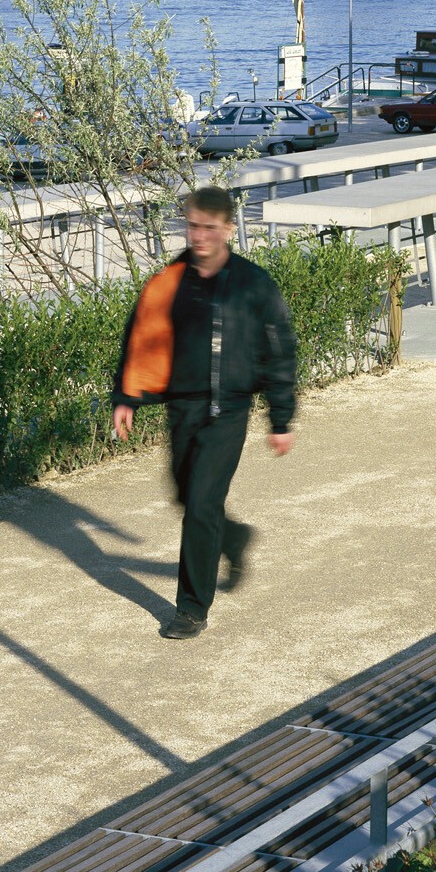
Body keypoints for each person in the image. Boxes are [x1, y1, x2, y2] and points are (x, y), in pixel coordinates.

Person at [112, 186, 297, 639]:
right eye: (193, 226)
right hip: (183, 405)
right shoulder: (169, 282)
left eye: (209, 228)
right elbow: (140, 336)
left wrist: (280, 419)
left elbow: (279, 351)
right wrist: (126, 396)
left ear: (228, 229)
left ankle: (191, 608)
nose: (199, 236)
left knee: (200, 505)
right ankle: (234, 537)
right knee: (183, 493)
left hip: (229, 409)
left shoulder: (253, 283)